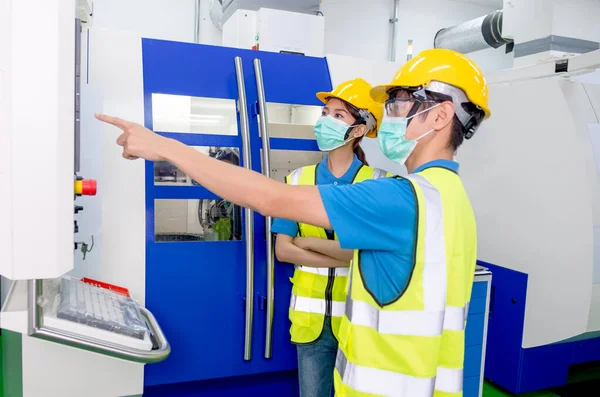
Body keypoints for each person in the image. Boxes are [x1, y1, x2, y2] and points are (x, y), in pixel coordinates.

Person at [96, 48, 490, 397]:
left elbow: (270, 198)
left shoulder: (399, 197)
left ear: (440, 115)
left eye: (400, 102)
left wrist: (165, 147)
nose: (389, 116)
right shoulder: (450, 197)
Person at [272, 78, 388, 397]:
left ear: (359, 130)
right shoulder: (298, 180)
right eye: (325, 113)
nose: (325, 121)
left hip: (360, 320)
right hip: (312, 325)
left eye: (338, 116)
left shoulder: (377, 184)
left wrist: (307, 242)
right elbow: (283, 250)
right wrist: (344, 251)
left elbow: (370, 252)